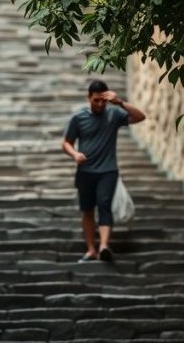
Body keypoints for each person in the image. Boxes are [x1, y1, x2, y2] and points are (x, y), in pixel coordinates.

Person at [61, 79, 146, 263]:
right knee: (87, 209)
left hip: (108, 171)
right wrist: (75, 154)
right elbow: (66, 143)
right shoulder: (78, 117)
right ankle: (91, 249)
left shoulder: (114, 114)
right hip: (85, 172)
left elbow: (140, 117)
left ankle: (104, 246)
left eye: (103, 100)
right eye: (96, 100)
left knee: (104, 204)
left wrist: (120, 102)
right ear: (89, 98)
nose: (100, 104)